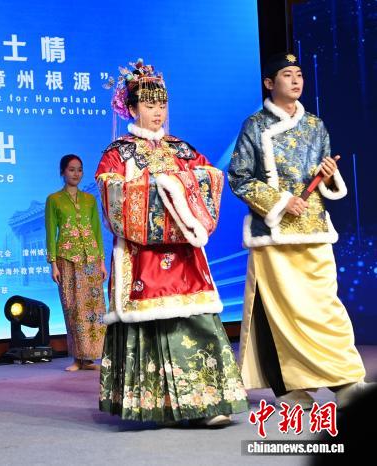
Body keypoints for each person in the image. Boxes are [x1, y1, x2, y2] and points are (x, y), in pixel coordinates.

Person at [96, 59, 248, 426]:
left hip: (184, 254)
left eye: (162, 105)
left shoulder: (181, 148)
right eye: (149, 105)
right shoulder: (119, 152)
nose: (157, 112)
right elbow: (110, 190)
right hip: (142, 255)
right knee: (151, 325)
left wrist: (180, 186)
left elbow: (210, 178)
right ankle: (157, 405)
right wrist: (159, 189)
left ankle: (208, 402)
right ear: (132, 108)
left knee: (197, 320)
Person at [228, 52, 370, 409]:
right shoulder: (254, 125)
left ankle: (344, 378)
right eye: (287, 74)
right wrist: (281, 202)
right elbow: (239, 178)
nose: (296, 81)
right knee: (281, 313)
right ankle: (287, 386)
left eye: (299, 74)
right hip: (274, 232)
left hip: (314, 228)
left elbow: (324, 177)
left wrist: (329, 175)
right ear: (269, 83)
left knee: (324, 307)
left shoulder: (315, 125)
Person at [45, 154, 107, 371]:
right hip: (67, 259)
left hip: (91, 259)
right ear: (62, 172)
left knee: (94, 309)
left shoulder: (90, 200)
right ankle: (77, 358)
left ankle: (90, 357)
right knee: (73, 308)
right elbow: (51, 232)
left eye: (79, 169)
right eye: (71, 169)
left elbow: (97, 231)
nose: (76, 174)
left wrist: (101, 262)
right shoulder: (54, 199)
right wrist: (53, 263)